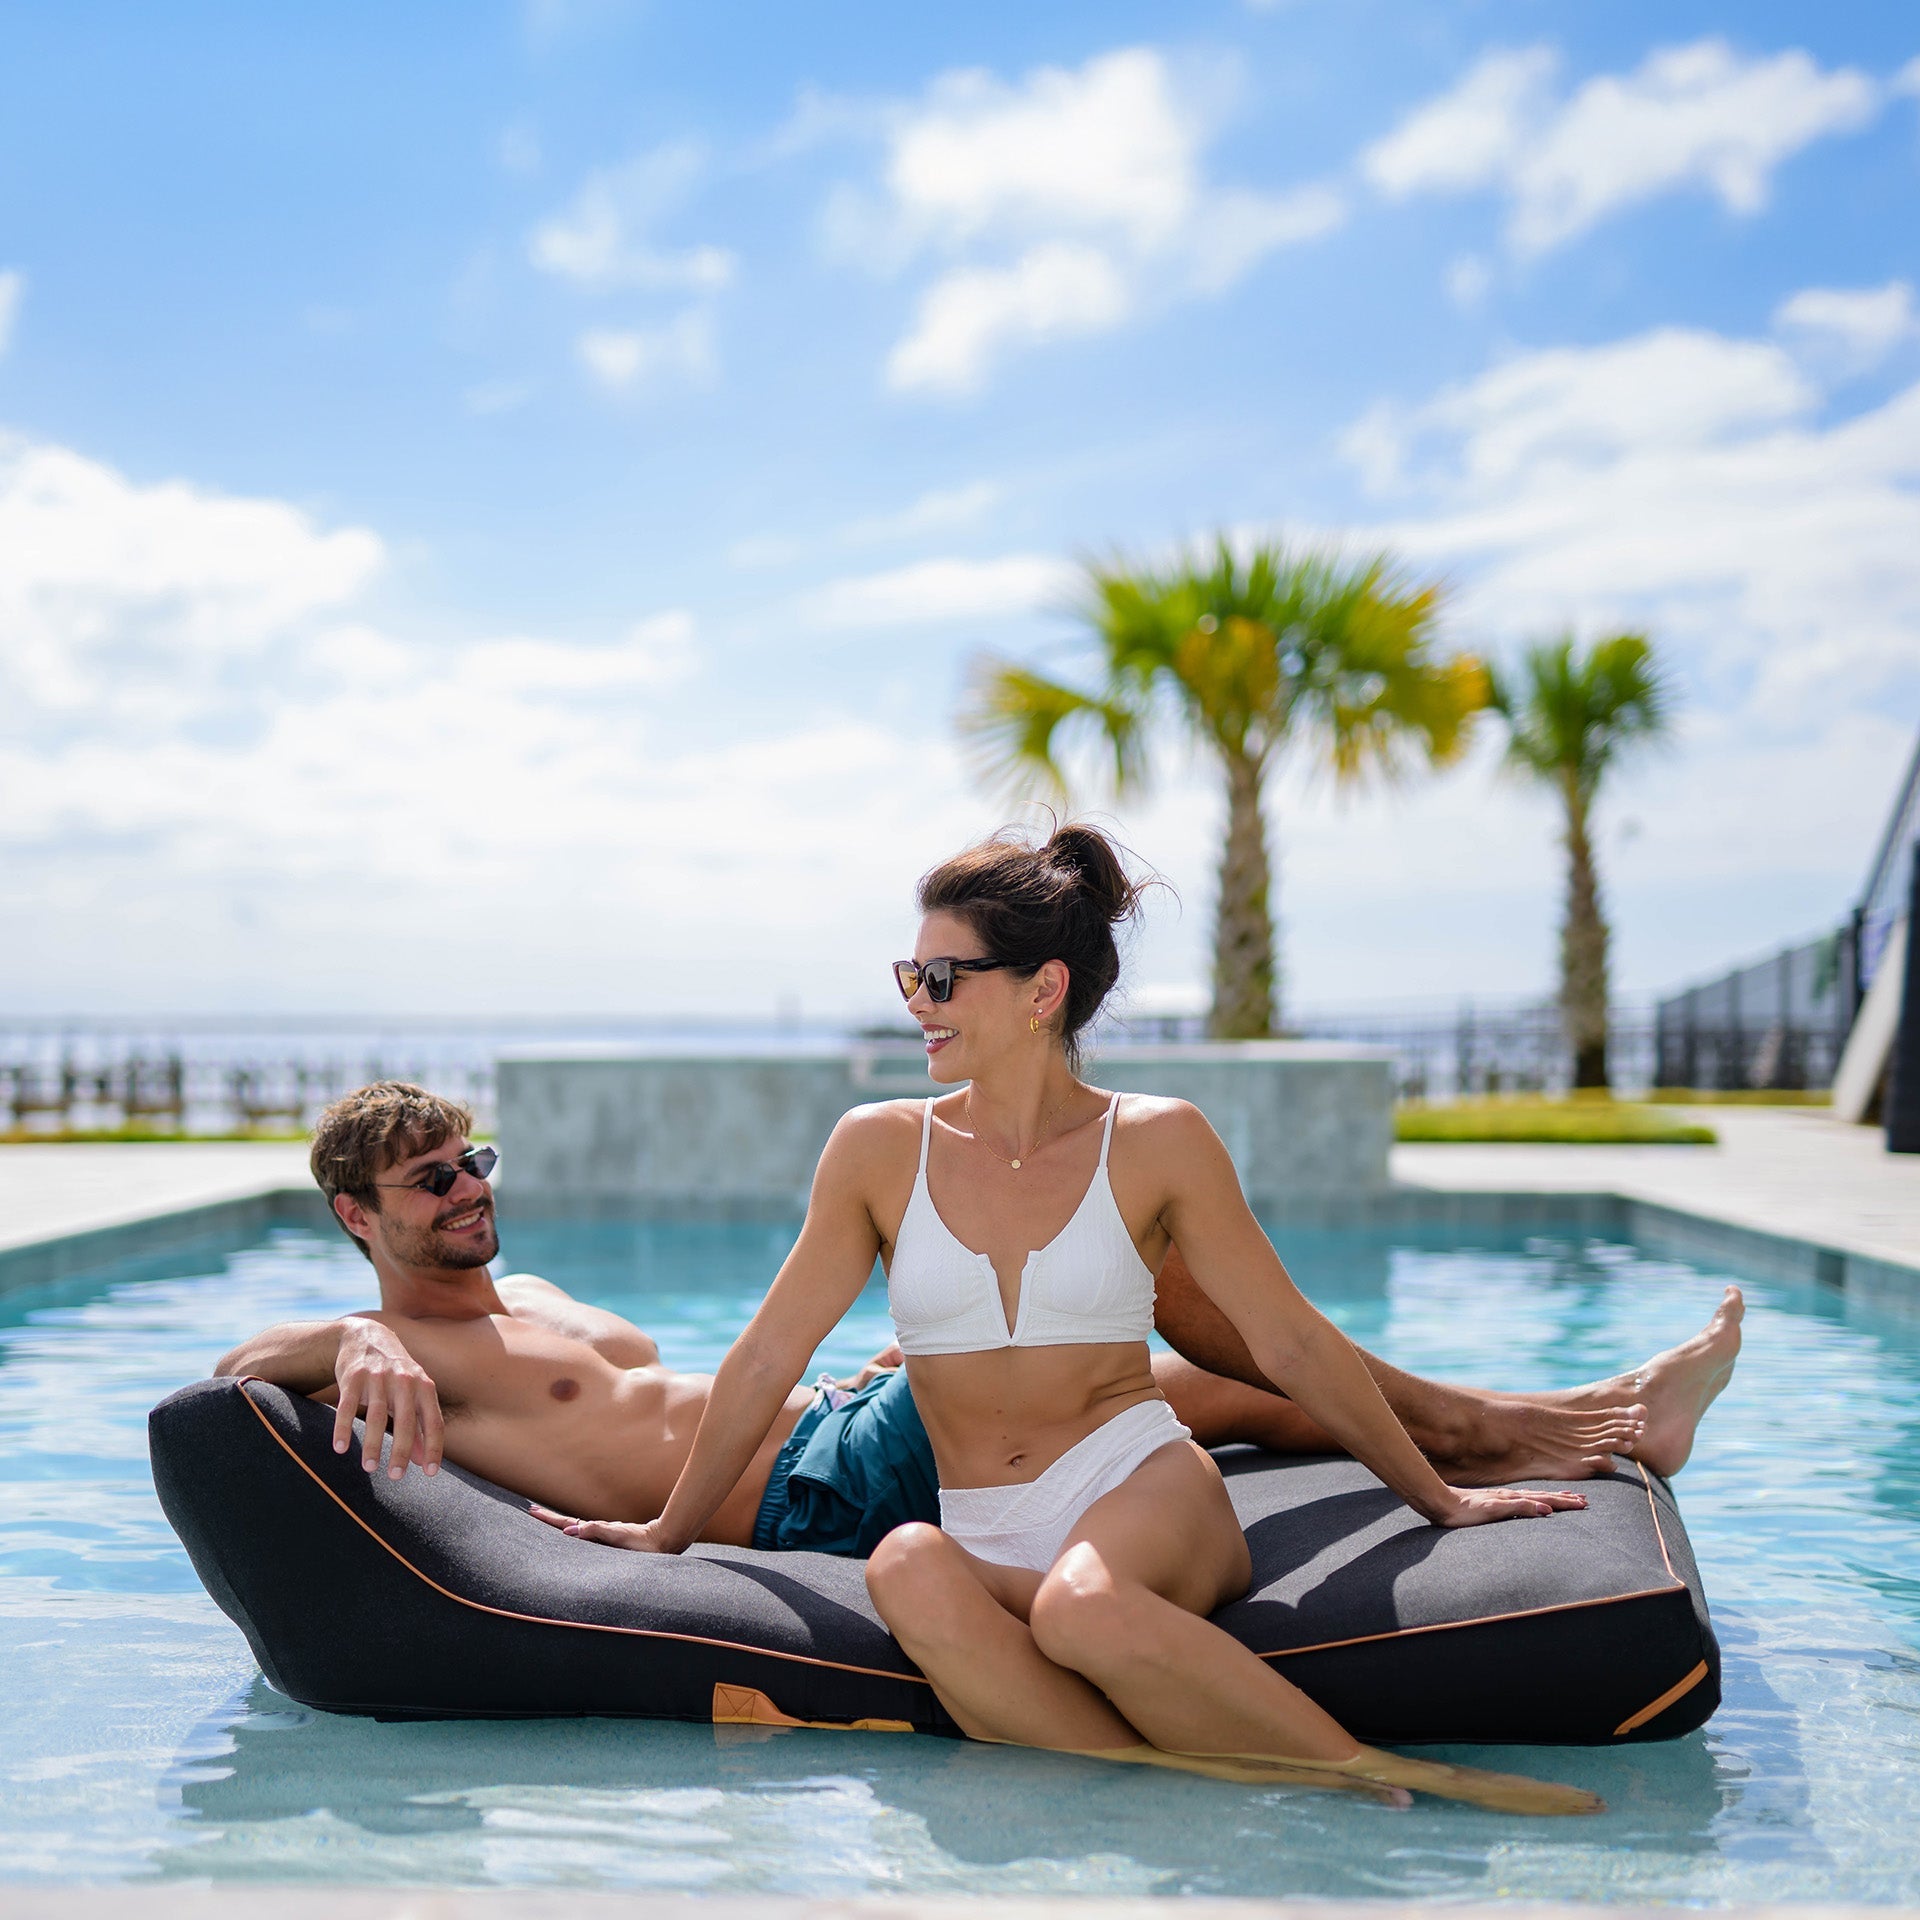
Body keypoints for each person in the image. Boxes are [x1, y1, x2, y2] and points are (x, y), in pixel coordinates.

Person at [536, 826, 1729, 1814]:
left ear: (1042, 991)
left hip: (1137, 1487)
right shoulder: (876, 1151)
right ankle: (1162, 1782)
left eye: (941, 978)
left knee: (1085, 1604)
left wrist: (1442, 1497)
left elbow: (1290, 1342)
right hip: (982, 1518)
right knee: (905, 1561)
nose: (918, 1003)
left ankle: (1385, 1783)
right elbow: (767, 1355)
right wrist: (663, 1532)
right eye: (909, 977)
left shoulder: (1156, 1140)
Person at [215, 1084, 1741, 1562]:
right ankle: (1540, 1421)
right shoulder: (415, 1353)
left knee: (1159, 1336)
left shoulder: (524, 1297)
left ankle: (1540, 1418)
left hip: (838, 1426)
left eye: (476, 1161)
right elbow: (223, 1379)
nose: (470, 1193)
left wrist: (873, 1368)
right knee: (1160, 1349)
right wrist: (348, 1338)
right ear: (361, 1218)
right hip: (811, 1502)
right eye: (433, 1182)